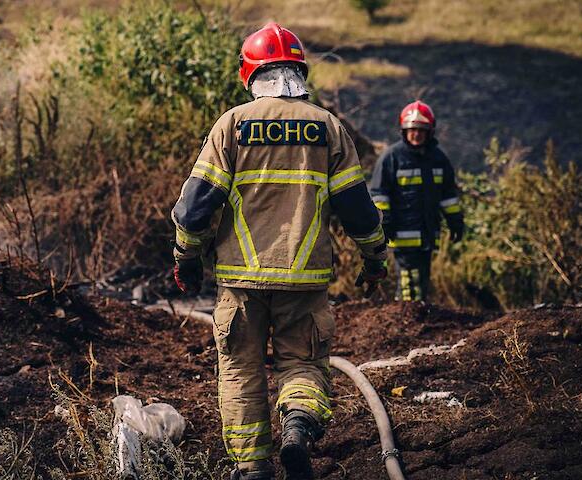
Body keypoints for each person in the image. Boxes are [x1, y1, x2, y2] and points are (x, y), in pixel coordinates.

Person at [170, 23, 387, 480]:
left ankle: (252, 467)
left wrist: (185, 260)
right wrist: (375, 258)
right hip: (304, 280)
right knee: (303, 362)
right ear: (300, 71)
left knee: (241, 370)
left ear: (249, 73)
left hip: (240, 283)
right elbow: (358, 211)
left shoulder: (231, 125)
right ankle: (297, 427)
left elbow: (193, 211)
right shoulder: (328, 127)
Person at [369, 101, 464, 302]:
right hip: (402, 233)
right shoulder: (392, 157)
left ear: (430, 131)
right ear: (403, 130)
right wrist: (384, 221)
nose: (416, 134)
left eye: (421, 130)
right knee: (409, 285)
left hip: (428, 234)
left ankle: (412, 319)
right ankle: (407, 320)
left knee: (420, 282)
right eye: (412, 130)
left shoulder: (438, 158)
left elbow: (447, 193)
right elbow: (378, 193)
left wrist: (455, 218)